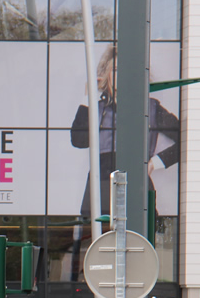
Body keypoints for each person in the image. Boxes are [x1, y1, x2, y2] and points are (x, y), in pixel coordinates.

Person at [71, 45, 180, 218]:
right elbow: (78, 140)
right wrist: (87, 98)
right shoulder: (97, 109)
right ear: (106, 74)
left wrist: (154, 163)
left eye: (126, 69)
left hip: (136, 183)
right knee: (100, 239)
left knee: (140, 236)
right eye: (114, 69)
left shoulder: (151, 107)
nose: (120, 74)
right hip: (102, 185)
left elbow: (186, 140)